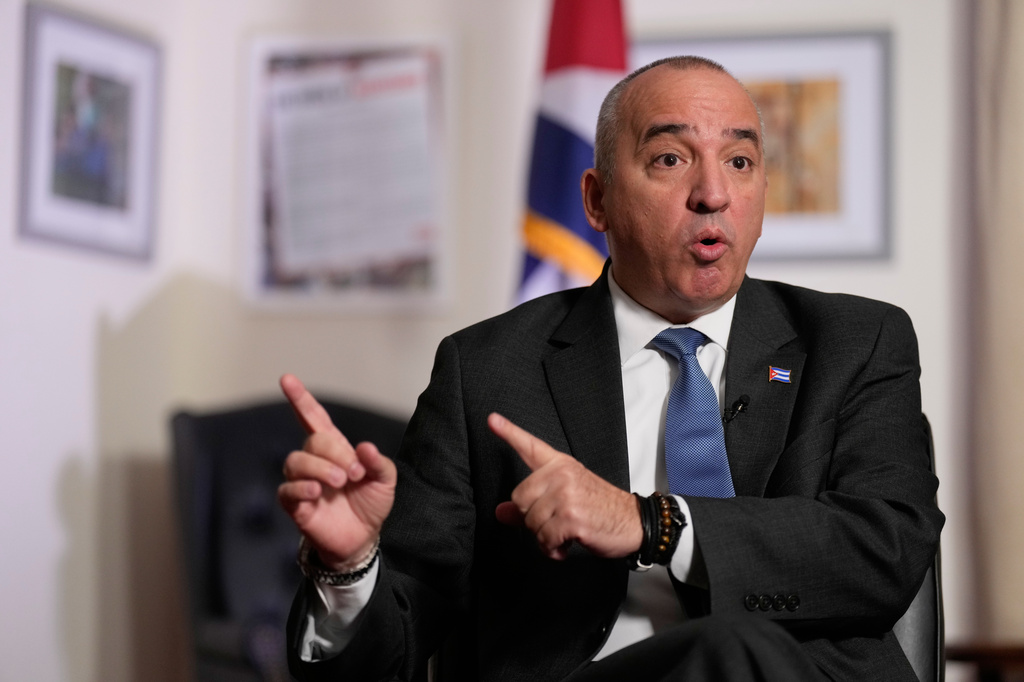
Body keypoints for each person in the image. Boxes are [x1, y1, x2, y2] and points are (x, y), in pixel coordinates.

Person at [277, 56, 943, 681]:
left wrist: (653, 524)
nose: (712, 193)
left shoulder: (857, 342)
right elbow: (397, 643)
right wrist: (349, 567)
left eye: (740, 161)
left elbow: (884, 545)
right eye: (671, 158)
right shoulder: (485, 369)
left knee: (734, 647)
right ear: (597, 201)